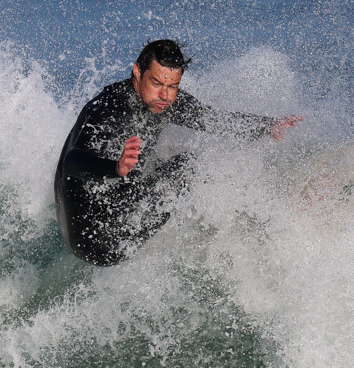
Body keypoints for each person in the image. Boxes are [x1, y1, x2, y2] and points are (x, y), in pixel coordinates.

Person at [54, 39, 302, 266]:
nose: (165, 95)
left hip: (99, 217)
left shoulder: (164, 101)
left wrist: (267, 126)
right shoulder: (112, 107)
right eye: (157, 83)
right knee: (188, 165)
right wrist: (115, 168)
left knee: (171, 159)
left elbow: (211, 119)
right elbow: (72, 161)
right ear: (137, 72)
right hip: (97, 238)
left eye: (173, 86)